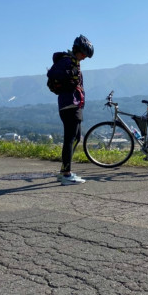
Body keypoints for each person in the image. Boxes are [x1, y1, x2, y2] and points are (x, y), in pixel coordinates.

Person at [52, 34, 94, 185]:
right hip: (69, 105)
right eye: (83, 54)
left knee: (76, 137)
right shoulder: (67, 61)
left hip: (73, 105)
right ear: (77, 50)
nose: (84, 57)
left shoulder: (73, 61)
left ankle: (65, 170)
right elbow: (52, 73)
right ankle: (66, 174)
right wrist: (71, 73)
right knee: (70, 139)